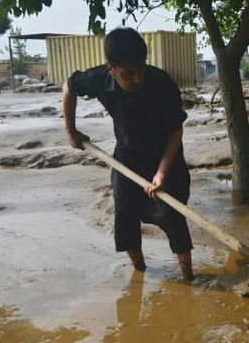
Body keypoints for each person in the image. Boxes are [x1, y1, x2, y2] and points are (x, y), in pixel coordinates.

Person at [62, 28, 193, 280]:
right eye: (128, 73)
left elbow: (175, 132)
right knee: (125, 216)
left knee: (174, 218)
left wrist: (161, 173)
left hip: (165, 158)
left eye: (140, 69)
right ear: (110, 68)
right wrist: (71, 131)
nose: (137, 78)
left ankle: (188, 276)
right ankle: (139, 274)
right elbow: (68, 87)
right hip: (126, 160)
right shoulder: (98, 79)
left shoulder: (161, 83)